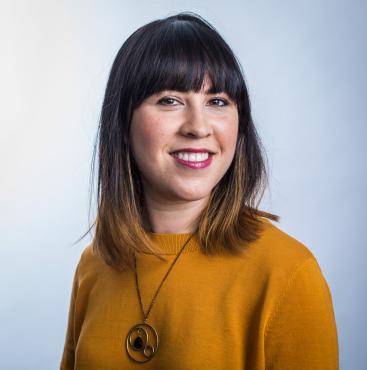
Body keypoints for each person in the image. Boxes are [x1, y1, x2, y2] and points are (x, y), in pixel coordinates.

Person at [60, 11, 339, 370]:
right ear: (123, 122)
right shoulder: (95, 264)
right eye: (170, 100)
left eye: (218, 101)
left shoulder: (288, 273)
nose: (198, 127)